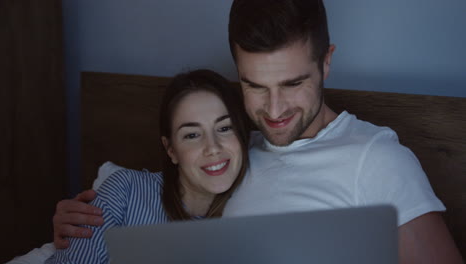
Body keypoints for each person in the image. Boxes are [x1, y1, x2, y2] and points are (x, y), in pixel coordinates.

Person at [29, 0, 466, 263]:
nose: (273, 112)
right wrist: (79, 223)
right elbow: (160, 200)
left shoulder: (376, 159)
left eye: (293, 84)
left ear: (326, 62)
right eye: (254, 85)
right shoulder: (235, 150)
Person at [31, 69, 249, 264]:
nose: (212, 148)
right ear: (171, 150)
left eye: (225, 128)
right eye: (192, 135)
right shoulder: (125, 191)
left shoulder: (260, 204)